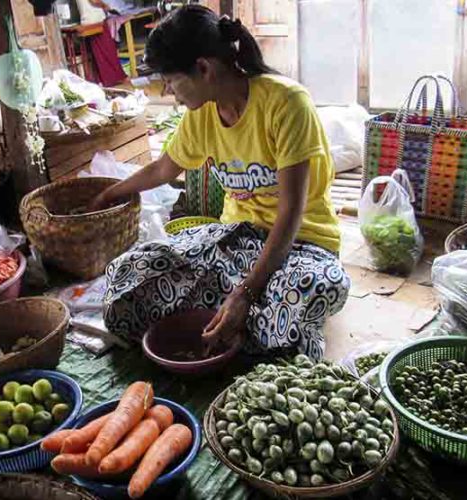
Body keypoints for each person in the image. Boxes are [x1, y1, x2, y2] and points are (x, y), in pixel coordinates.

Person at [89, 5, 350, 360]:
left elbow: (291, 211)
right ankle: (245, 327)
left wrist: (245, 293)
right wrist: (109, 192)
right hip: (236, 239)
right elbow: (164, 168)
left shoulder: (286, 104)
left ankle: (247, 317)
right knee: (129, 275)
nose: (168, 92)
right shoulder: (202, 115)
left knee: (312, 289)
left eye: (170, 80)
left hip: (302, 243)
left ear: (203, 68)